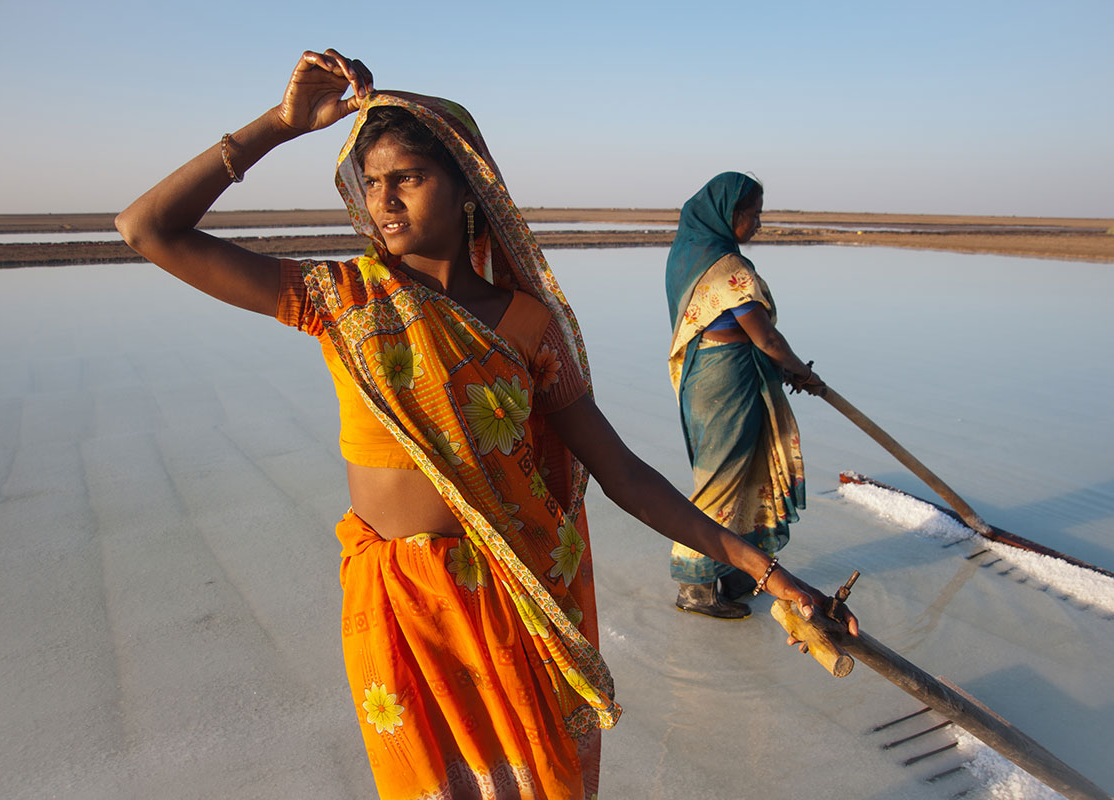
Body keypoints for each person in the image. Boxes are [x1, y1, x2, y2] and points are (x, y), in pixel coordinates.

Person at [116, 50, 856, 800]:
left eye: (408, 176)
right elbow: (146, 229)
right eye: (371, 182)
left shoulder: (527, 326)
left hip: (510, 599)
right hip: (402, 606)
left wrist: (771, 574)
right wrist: (278, 126)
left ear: (467, 186)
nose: (385, 199)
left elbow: (624, 474)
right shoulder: (340, 298)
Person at [665, 173, 828, 620]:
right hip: (726, 382)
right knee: (720, 481)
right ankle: (694, 583)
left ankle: (736, 567)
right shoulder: (728, 270)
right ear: (727, 214)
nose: (757, 223)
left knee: (738, 472)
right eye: (751, 214)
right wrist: (800, 372)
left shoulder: (688, 254)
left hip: (708, 377)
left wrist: (786, 369)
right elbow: (766, 338)